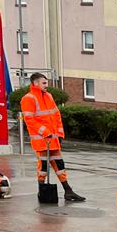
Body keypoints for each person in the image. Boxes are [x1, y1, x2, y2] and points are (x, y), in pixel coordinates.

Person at [19, 72, 85, 202]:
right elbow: (29, 120)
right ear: (35, 83)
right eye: (44, 83)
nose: (46, 86)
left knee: (59, 164)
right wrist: (45, 132)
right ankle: (42, 191)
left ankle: (68, 191)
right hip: (42, 141)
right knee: (43, 166)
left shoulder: (48, 96)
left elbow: (56, 115)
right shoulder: (29, 98)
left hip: (53, 140)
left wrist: (60, 133)